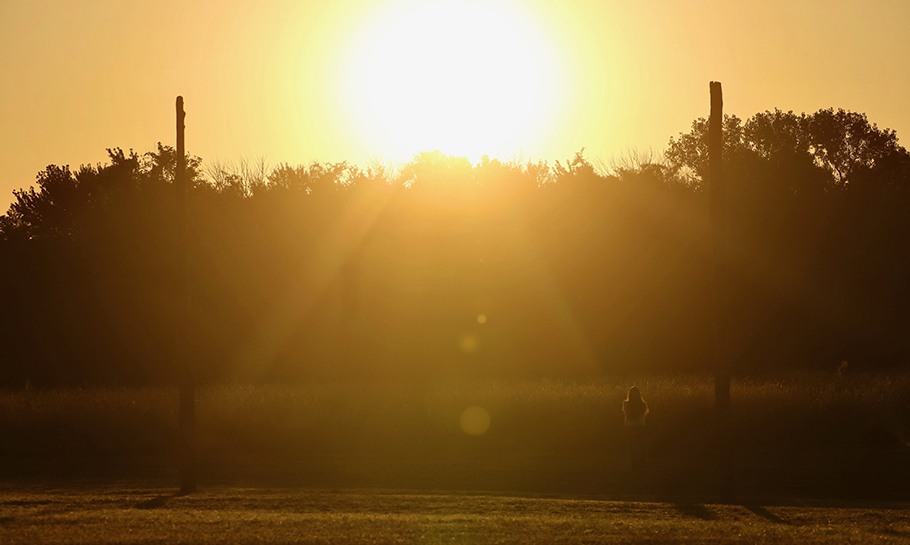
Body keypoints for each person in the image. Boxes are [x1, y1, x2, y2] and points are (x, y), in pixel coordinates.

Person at [622, 386, 649, 466]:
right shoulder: (643, 405)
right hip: (640, 426)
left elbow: (626, 414)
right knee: (641, 444)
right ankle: (642, 460)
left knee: (632, 445)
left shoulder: (626, 404)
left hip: (629, 426)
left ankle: (634, 461)